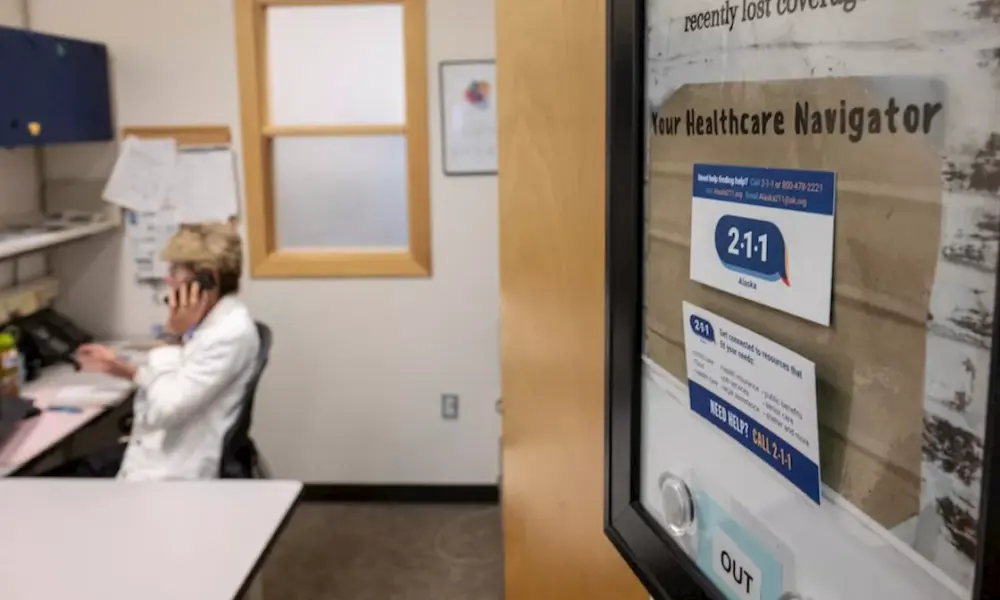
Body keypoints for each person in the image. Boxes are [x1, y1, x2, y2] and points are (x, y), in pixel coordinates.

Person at [46, 223, 259, 480]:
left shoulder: (227, 334)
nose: (168, 280)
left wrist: (171, 336)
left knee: (41, 486)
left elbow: (165, 410)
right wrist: (123, 369)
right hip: (156, 453)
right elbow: (178, 381)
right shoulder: (211, 322)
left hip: (172, 473)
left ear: (205, 280)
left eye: (175, 271)